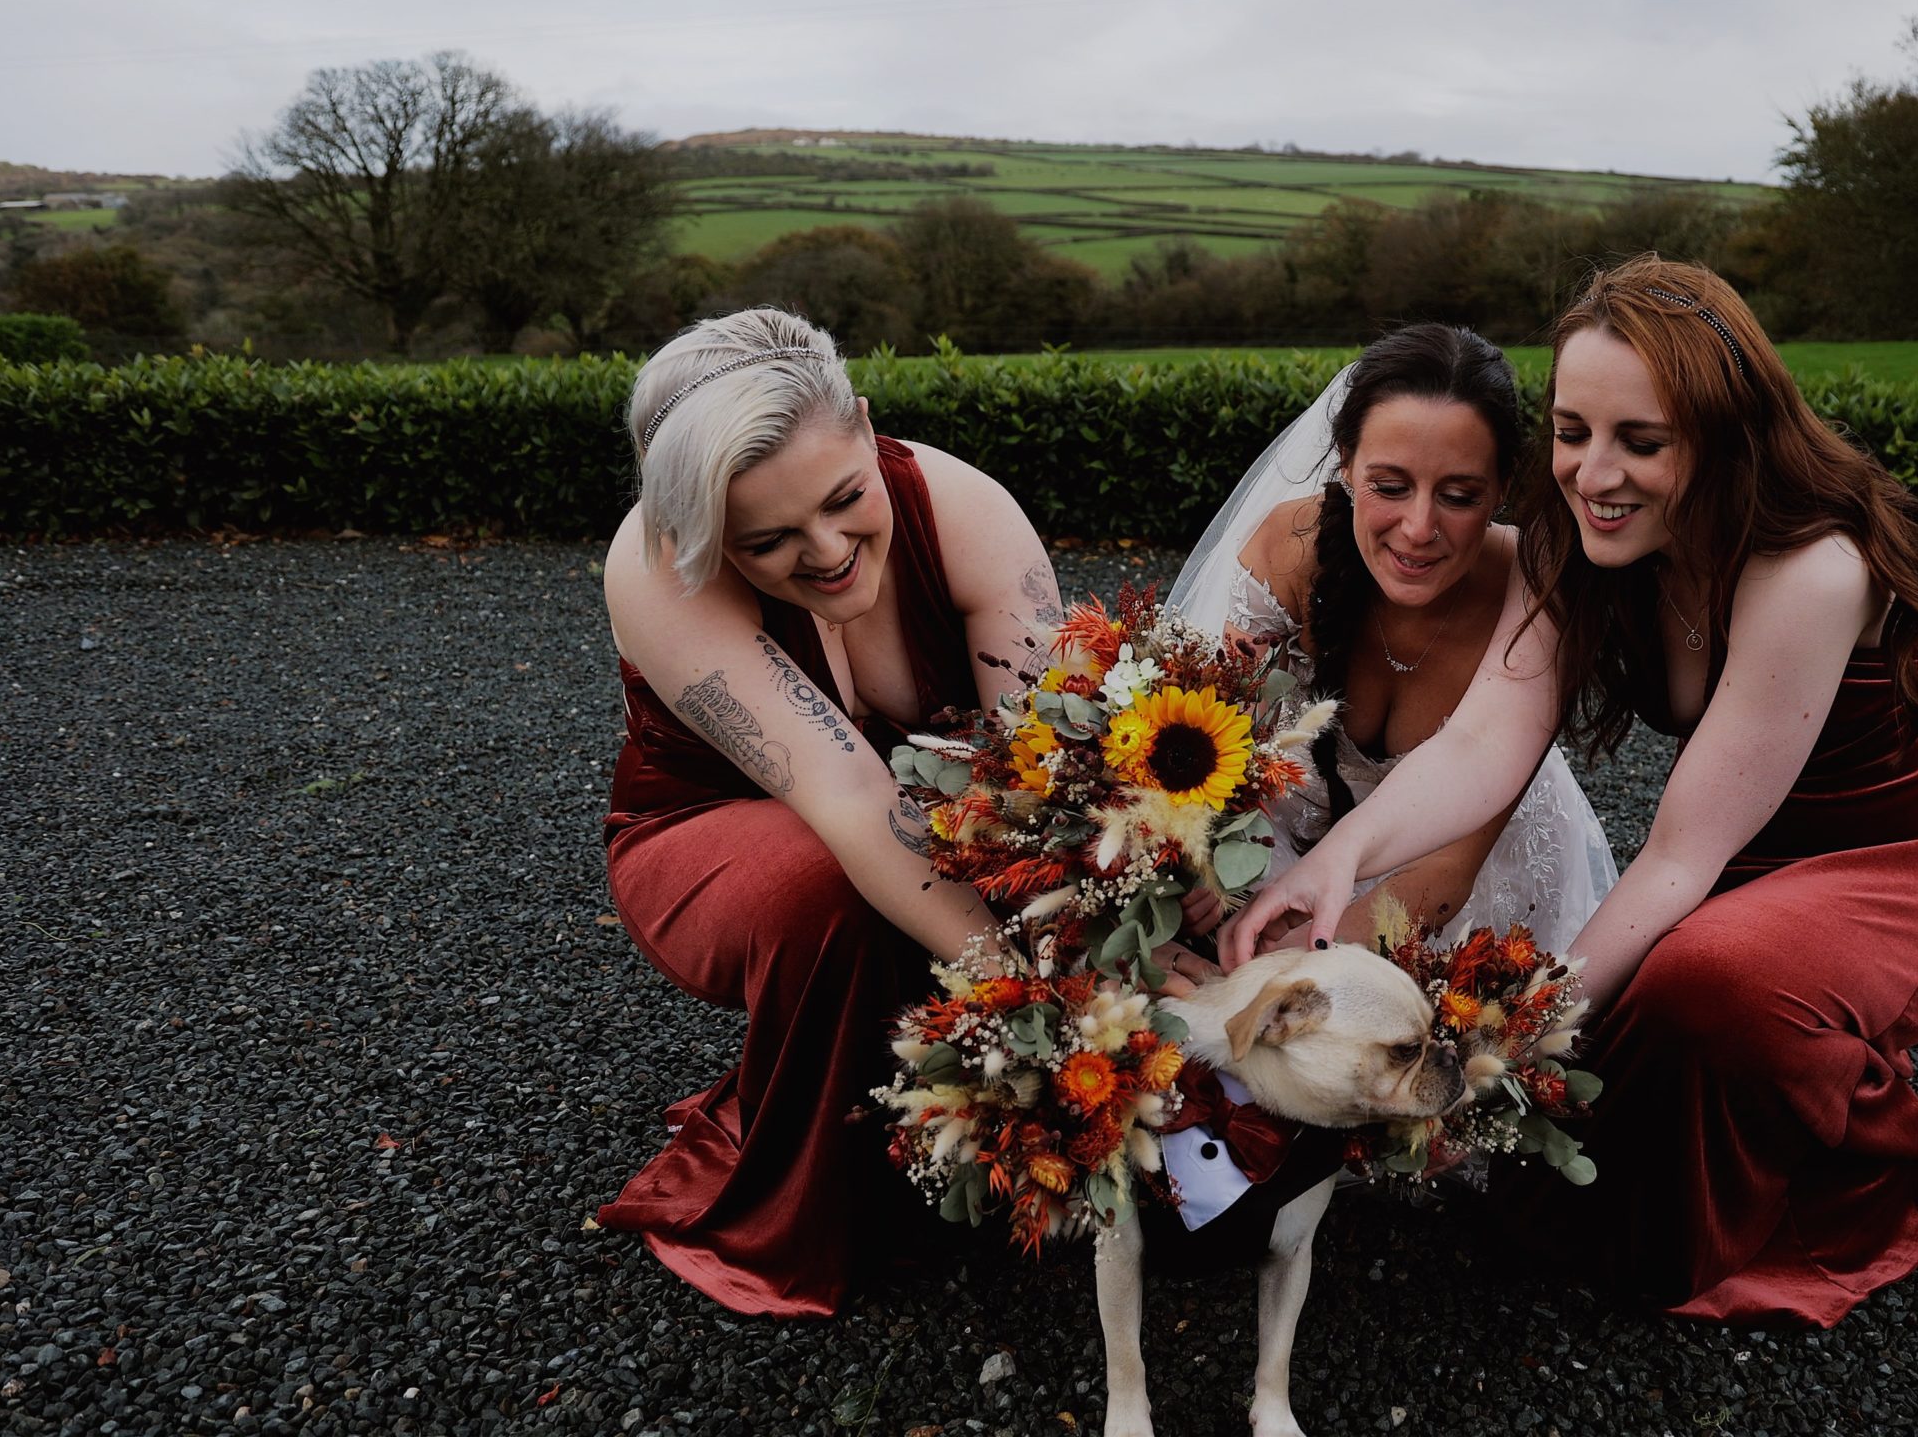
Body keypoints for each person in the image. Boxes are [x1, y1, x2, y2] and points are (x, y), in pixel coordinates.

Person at [1222, 256, 1918, 1327]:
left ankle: (1849, 1132)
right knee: (1636, 1014)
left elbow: (1678, 858)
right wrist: (1334, 861)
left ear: (1722, 434)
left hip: (1871, 873)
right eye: (1572, 430)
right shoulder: (1576, 545)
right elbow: (1486, 736)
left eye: (1642, 440)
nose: (1593, 473)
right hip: (1723, 860)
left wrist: (1519, 1032)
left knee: (1701, 980)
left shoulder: (1812, 567)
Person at [595, 308, 1059, 1316]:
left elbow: (1048, 775)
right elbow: (846, 796)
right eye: (765, 542)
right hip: (713, 844)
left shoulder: (964, 509)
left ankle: (951, 1123)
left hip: (938, 828)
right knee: (823, 879)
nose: (828, 551)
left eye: (847, 499)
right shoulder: (652, 564)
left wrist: (1113, 965)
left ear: (862, 423)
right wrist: (1033, 1001)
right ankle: (808, 1206)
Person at [1168, 323, 1615, 954]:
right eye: (1390, 487)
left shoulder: (1536, 589)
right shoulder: (1290, 550)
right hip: (1282, 861)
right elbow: (1191, 742)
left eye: (1459, 495)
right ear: (1345, 462)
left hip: (1467, 896)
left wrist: (1286, 967)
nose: (1418, 528)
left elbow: (1447, 875)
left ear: (1505, 485)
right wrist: (1203, 863)